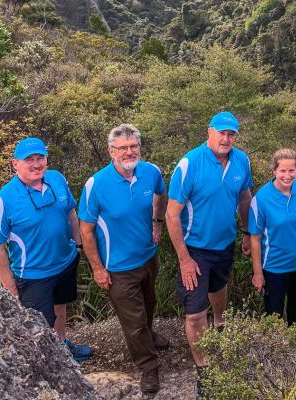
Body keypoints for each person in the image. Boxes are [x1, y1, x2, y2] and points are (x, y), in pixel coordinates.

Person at [166, 111, 253, 397]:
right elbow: (171, 215)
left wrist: (247, 233)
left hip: (225, 243)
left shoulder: (241, 161)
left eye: (231, 134)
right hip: (195, 249)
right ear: (209, 132)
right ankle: (204, 370)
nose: (226, 139)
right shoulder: (190, 164)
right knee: (194, 315)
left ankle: (221, 324)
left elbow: (244, 197)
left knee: (219, 286)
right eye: (222, 133)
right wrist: (184, 260)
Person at [78, 124, 168, 395]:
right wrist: (97, 268)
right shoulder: (96, 184)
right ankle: (148, 366)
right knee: (134, 321)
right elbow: (86, 229)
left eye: (134, 146)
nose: (129, 152)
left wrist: (157, 221)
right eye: (123, 148)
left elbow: (161, 194)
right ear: (111, 151)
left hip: (148, 256)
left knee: (150, 304)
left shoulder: (150, 172)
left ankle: (149, 337)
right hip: (117, 267)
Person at [0, 137, 92, 362]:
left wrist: (81, 246)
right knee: (37, 325)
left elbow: (71, 214)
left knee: (60, 308)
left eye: (40, 158)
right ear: (15, 164)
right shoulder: (2, 201)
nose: (36, 164)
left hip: (65, 263)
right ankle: (46, 364)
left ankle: (62, 347)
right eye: (29, 160)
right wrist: (11, 288)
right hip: (33, 274)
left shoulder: (56, 179)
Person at [249, 148, 296, 326]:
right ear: (274, 171)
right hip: (274, 266)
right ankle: (273, 351)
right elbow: (255, 239)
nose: (287, 175)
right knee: (274, 314)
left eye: (291, 170)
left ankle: (293, 346)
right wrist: (258, 273)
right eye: (282, 171)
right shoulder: (261, 199)